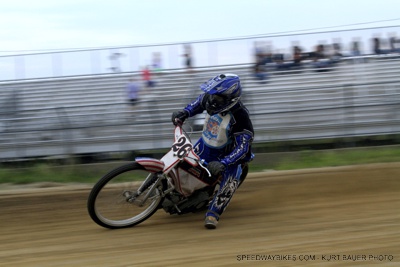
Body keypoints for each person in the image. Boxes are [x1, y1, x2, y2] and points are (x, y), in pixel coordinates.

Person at [171, 74, 254, 229]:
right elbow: (198, 103)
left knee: (231, 177)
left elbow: (243, 147)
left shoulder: (241, 117)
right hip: (205, 145)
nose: (212, 100)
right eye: (212, 95)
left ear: (230, 98)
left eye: (218, 98)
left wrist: (225, 162)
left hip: (226, 156)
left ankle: (213, 213)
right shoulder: (211, 99)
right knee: (180, 162)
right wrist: (185, 112)